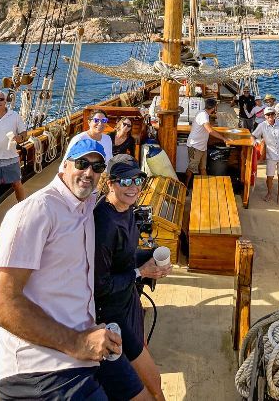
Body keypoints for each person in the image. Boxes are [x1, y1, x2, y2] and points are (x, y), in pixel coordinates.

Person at [0, 138, 152, 401]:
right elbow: (1, 306)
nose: (89, 172)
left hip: (88, 342)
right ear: (64, 166)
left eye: (97, 167)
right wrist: (77, 343)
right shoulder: (36, 211)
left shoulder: (85, 207)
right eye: (82, 163)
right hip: (42, 368)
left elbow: (115, 198)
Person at [94, 154, 171, 400]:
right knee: (154, 386)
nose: (134, 187)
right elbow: (100, 286)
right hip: (113, 313)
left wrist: (149, 257)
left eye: (138, 179)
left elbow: (125, 255)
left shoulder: (126, 209)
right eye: (125, 181)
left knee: (147, 376)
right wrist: (141, 272)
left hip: (130, 302)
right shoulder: (104, 225)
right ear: (110, 183)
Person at [252, 107, 279, 204]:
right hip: (271, 155)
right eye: (268, 115)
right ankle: (269, 193)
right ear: (264, 116)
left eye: (272, 114)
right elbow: (253, 136)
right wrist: (254, 142)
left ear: (275, 114)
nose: (270, 116)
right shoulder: (262, 126)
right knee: (269, 177)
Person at [185, 98, 226, 188]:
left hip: (202, 146)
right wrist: (223, 138)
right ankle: (185, 186)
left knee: (203, 168)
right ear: (214, 108)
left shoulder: (204, 114)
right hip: (195, 146)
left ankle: (205, 187)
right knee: (192, 168)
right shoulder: (203, 115)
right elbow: (210, 130)